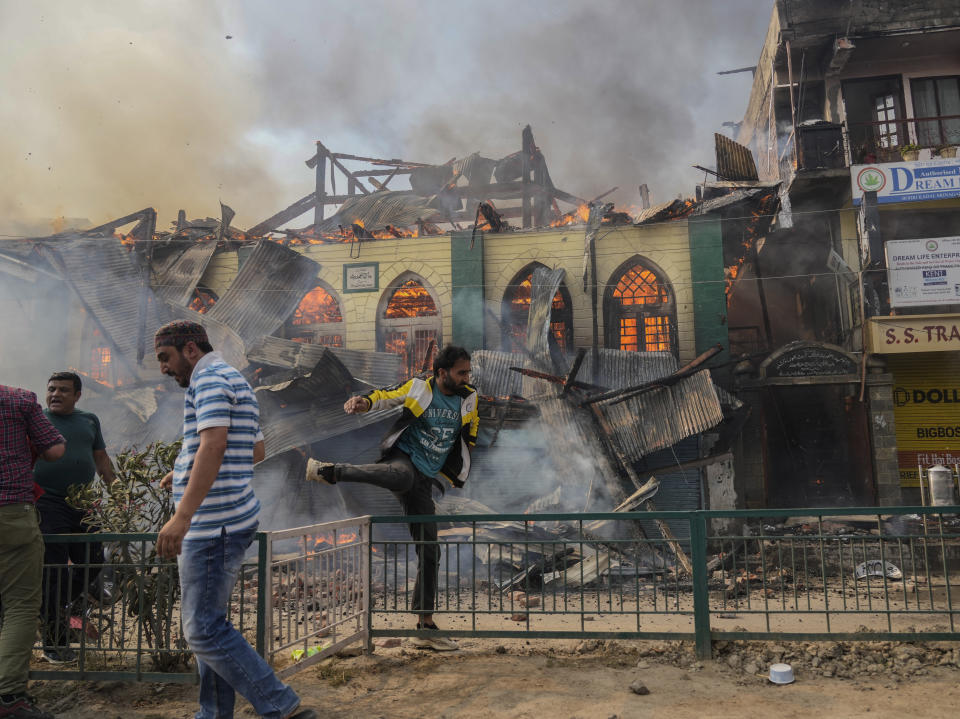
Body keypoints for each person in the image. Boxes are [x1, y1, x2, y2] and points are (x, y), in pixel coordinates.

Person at [153, 321, 315, 719]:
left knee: (202, 631)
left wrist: (182, 516)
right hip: (231, 518)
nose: (162, 368)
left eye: (165, 357)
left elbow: (215, 443)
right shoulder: (234, 379)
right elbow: (254, 449)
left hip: (210, 525)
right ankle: (213, 713)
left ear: (190, 349)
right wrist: (188, 469)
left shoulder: (208, 380)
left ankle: (280, 704)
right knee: (213, 625)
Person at [305, 345, 478, 651]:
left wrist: (457, 464)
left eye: (468, 372)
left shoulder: (469, 398)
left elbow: (470, 432)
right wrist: (364, 402)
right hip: (403, 460)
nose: (467, 377)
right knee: (403, 476)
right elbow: (386, 395)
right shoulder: (419, 388)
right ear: (442, 373)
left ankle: (424, 628)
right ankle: (331, 471)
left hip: (426, 479)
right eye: (461, 372)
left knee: (430, 551)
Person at [32, 371, 115, 664]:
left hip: (82, 502)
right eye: (51, 389)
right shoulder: (37, 419)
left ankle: (57, 605)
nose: (55, 394)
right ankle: (54, 641)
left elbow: (101, 458)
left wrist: (117, 494)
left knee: (93, 560)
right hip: (47, 502)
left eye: (63, 390)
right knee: (53, 569)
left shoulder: (89, 420)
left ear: (78, 395)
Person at [0, 384, 65, 719]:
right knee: (21, 606)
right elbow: (54, 450)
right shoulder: (18, 400)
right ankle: (9, 699)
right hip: (11, 513)